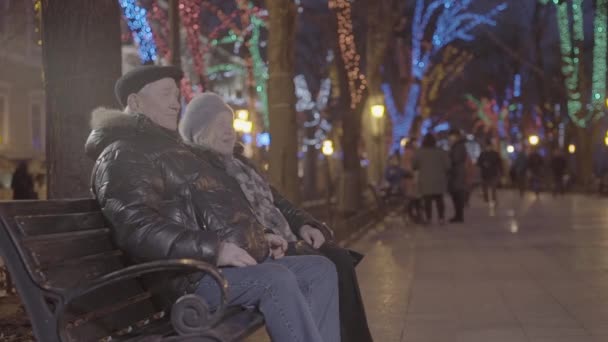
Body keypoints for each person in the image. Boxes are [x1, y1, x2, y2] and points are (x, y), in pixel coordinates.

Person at [85, 66, 340, 342]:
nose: (175, 103)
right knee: (277, 280)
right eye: (166, 94)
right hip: (186, 279)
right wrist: (214, 249)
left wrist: (259, 238)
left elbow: (211, 212)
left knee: (319, 270)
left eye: (176, 95)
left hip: (210, 270)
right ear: (135, 102)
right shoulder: (123, 154)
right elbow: (138, 229)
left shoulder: (173, 151)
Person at [179, 93, 372, 342]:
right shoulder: (206, 169)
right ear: (200, 132)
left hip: (279, 240)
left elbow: (278, 201)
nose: (229, 132)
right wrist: (265, 236)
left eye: (230, 125)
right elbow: (229, 219)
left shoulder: (242, 164)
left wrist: (303, 224)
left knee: (337, 259)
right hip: (260, 248)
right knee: (330, 263)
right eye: (220, 126)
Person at [413, 133, 450, 225]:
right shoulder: (441, 152)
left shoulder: (419, 152)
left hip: (425, 179)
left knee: (427, 200)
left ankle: (429, 218)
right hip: (439, 179)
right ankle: (441, 218)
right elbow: (448, 166)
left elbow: (414, 165)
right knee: (439, 199)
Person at [447, 129, 468, 223]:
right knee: (456, 194)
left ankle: (459, 216)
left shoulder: (458, 146)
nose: (450, 138)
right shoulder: (457, 146)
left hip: (457, 173)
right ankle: (458, 215)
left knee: (457, 194)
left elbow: (455, 159)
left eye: (451, 136)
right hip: (457, 173)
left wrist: (449, 157)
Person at [477, 141, 503, 205]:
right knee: (485, 187)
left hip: (493, 173)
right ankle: (486, 198)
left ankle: (493, 199)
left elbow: (499, 163)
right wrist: (483, 164)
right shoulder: (482, 154)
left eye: (489, 147)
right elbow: (478, 163)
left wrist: (500, 171)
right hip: (485, 174)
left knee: (493, 188)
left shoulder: (495, 154)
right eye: (487, 147)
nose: (488, 148)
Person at [402, 142, 423, 224]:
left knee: (411, 198)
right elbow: (412, 167)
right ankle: (416, 216)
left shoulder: (404, 154)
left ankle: (413, 215)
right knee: (415, 198)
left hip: (408, 179)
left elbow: (404, 167)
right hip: (412, 178)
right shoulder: (411, 154)